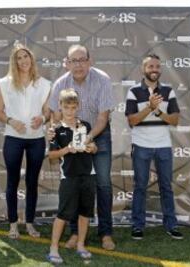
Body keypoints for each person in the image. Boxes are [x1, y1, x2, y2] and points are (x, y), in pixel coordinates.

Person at [49, 44, 116, 250]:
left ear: (90, 60)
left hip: (98, 133)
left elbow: (103, 118)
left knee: (102, 184)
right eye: (73, 60)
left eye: (82, 60)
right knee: (75, 183)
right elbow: (55, 116)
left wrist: (87, 138)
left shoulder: (103, 79)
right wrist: (54, 131)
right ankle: (76, 234)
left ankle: (105, 233)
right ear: (67, 63)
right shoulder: (61, 83)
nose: (78, 64)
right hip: (70, 137)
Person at [125, 53, 183, 240]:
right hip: (141, 145)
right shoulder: (133, 91)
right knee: (140, 187)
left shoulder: (168, 91)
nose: (154, 70)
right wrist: (149, 107)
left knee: (166, 186)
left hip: (164, 145)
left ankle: (171, 225)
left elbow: (174, 120)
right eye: (150, 66)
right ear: (144, 69)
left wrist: (157, 111)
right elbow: (132, 120)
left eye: (157, 66)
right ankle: (137, 225)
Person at [0, 44, 51, 239]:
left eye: (25, 56)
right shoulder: (5, 83)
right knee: (12, 182)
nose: (23, 61)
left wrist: (42, 119)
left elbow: (47, 111)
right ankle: (12, 225)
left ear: (31, 59)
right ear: (14, 61)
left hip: (36, 140)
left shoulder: (43, 83)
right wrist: (11, 121)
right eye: (19, 58)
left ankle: (29, 224)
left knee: (32, 183)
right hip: (13, 138)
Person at [47, 89, 97, 264]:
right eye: (67, 107)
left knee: (85, 213)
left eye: (73, 107)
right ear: (60, 107)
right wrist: (67, 149)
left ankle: (81, 245)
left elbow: (94, 147)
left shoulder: (86, 125)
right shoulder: (56, 129)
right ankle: (53, 248)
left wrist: (91, 148)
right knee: (63, 213)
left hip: (88, 174)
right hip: (68, 176)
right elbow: (52, 155)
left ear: (78, 107)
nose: (70, 111)